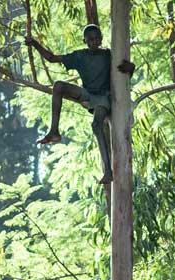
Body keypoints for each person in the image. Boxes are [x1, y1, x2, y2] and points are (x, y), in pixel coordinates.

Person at [25, 24, 135, 185]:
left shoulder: (108, 55)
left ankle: (108, 171)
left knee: (97, 125)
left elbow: (127, 70)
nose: (94, 41)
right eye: (91, 39)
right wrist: (34, 43)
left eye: (97, 38)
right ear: (85, 40)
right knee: (58, 86)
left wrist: (130, 67)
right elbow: (51, 58)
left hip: (103, 97)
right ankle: (54, 131)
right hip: (87, 93)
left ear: (101, 39)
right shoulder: (80, 56)